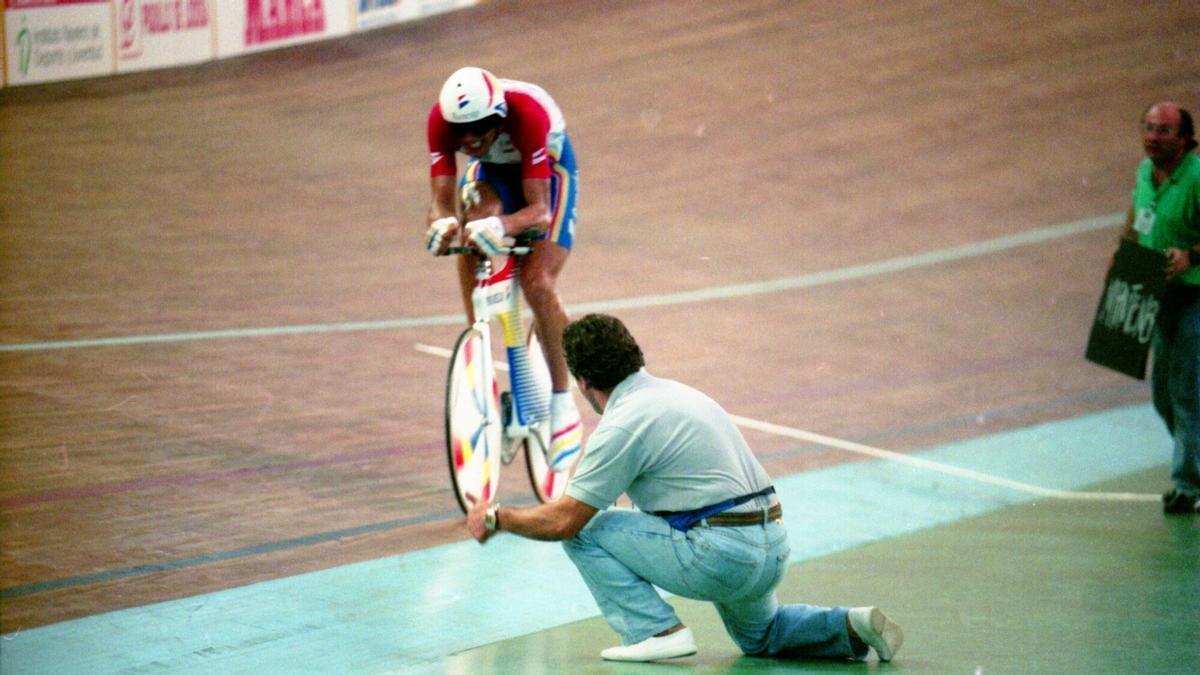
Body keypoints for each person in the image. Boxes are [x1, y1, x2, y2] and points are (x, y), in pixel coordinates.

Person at [465, 313, 904, 663]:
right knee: (762, 636)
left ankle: (655, 632)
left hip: (723, 555)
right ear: (633, 355)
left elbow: (564, 520)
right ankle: (849, 626)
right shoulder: (682, 394)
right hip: (773, 547)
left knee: (587, 531)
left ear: (582, 382)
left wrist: (496, 517)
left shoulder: (622, 423)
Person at [423, 66, 582, 471]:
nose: (470, 140)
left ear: (498, 117)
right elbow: (441, 200)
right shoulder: (440, 121)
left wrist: (504, 225)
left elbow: (540, 212)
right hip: (494, 175)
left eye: (480, 130)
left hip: (548, 177)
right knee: (469, 226)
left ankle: (562, 398)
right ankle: (477, 341)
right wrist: (442, 223)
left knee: (537, 280)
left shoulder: (527, 114)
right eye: (462, 133)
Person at [1120, 101, 1200, 515]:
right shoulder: (1144, 173)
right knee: (1164, 396)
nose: (1153, 136)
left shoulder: (1198, 178)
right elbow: (1138, 217)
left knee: (1187, 392)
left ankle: (1187, 484)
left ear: (1184, 138)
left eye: (1164, 131)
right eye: (1148, 128)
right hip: (1159, 294)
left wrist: (1191, 255)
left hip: (1194, 297)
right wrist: (1122, 260)